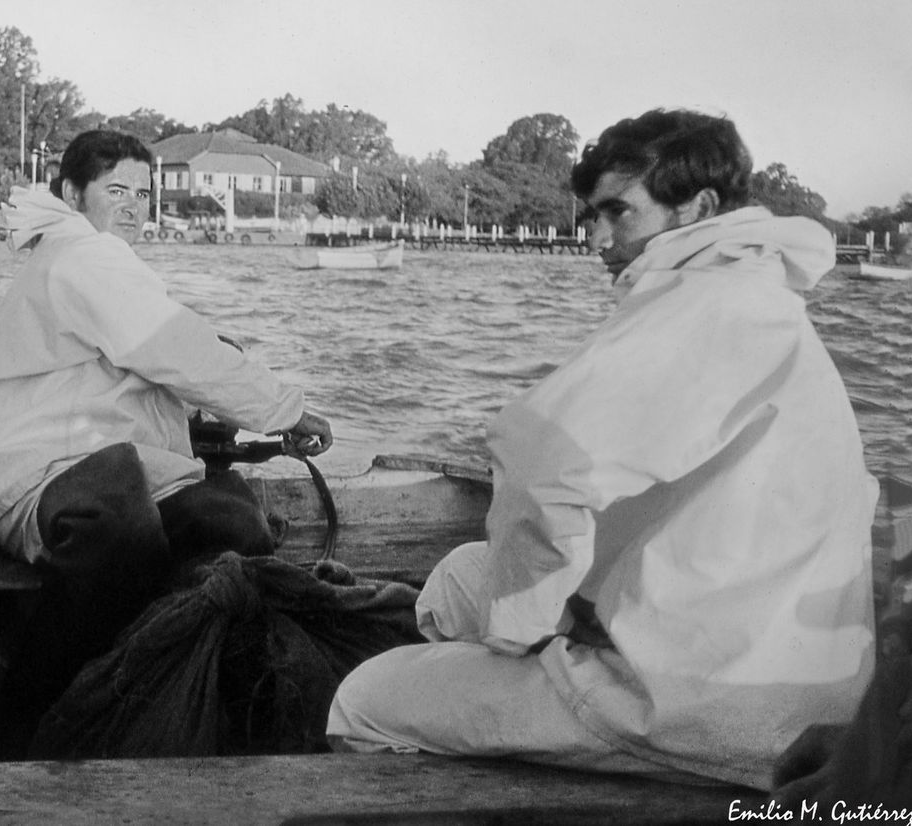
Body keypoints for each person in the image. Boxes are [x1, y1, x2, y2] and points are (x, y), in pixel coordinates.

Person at [327, 108, 877, 789]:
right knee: (458, 577)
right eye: (592, 214)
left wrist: (527, 634)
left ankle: (523, 742)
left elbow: (547, 472)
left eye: (619, 212)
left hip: (704, 702)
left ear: (697, 208)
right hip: (764, 659)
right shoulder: (755, 295)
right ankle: (508, 709)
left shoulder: (704, 308)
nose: (596, 236)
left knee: (362, 700)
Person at [0, 129, 332, 756]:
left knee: (236, 524)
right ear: (72, 194)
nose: (133, 205)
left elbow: (154, 368)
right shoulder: (80, 257)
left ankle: (157, 681)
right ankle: (19, 722)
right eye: (116, 189)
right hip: (34, 468)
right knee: (115, 521)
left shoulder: (103, 262)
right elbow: (170, 346)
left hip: (101, 458)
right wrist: (281, 409)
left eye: (144, 194)